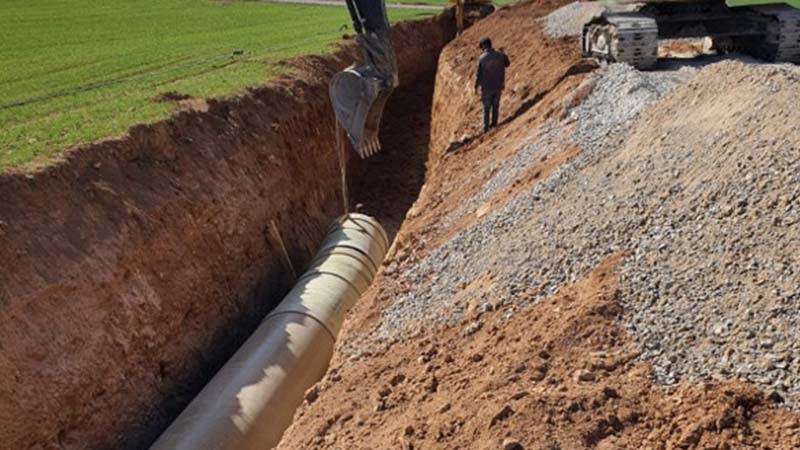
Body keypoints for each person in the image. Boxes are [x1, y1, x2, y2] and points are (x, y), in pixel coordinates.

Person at [474, 37, 510, 133]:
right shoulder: (500, 55)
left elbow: (478, 74)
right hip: (498, 85)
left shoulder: (482, 58)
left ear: (483, 46)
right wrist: (504, 53)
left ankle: (486, 127)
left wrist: (476, 86)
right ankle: (494, 124)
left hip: (486, 87)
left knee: (486, 107)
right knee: (495, 106)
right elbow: (507, 64)